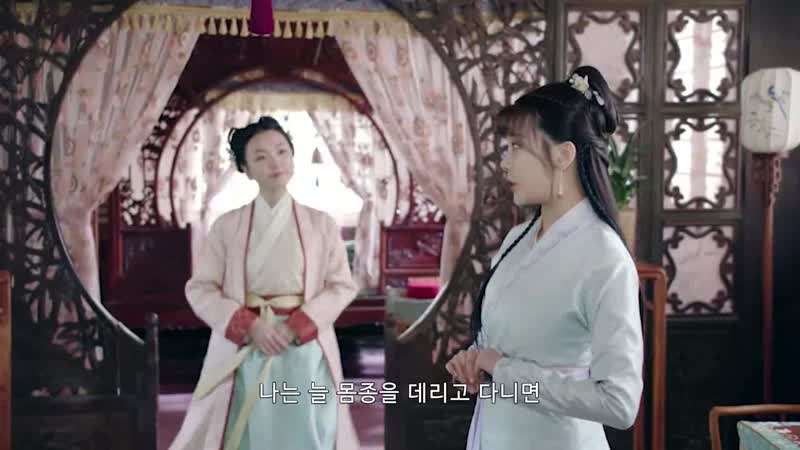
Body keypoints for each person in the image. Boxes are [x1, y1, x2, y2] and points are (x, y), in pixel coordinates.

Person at [446, 66, 644, 450]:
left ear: (563, 155)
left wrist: (501, 369)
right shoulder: (517, 238)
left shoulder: (605, 258)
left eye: (516, 147)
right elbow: (503, 347)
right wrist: (476, 363)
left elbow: (619, 403)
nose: (504, 162)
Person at [169, 116, 360, 450]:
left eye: (282, 151)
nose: (275, 163)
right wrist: (250, 326)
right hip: (249, 345)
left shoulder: (322, 224)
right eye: (261, 157)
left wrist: (297, 326)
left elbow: (341, 285)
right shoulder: (227, 226)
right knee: (244, 432)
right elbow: (200, 288)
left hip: (304, 348)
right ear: (245, 168)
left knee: (310, 432)